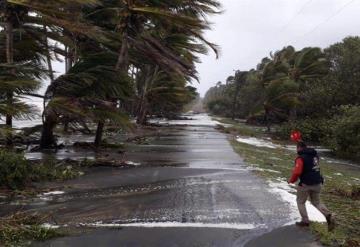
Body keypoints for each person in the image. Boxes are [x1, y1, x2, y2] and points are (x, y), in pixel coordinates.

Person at [288, 141, 335, 231]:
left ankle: (305, 221)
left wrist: (291, 180)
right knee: (316, 202)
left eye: (296, 148)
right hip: (318, 183)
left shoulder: (300, 158)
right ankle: (328, 215)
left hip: (306, 184)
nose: (296, 150)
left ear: (299, 148)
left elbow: (297, 172)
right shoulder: (315, 156)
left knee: (300, 202)